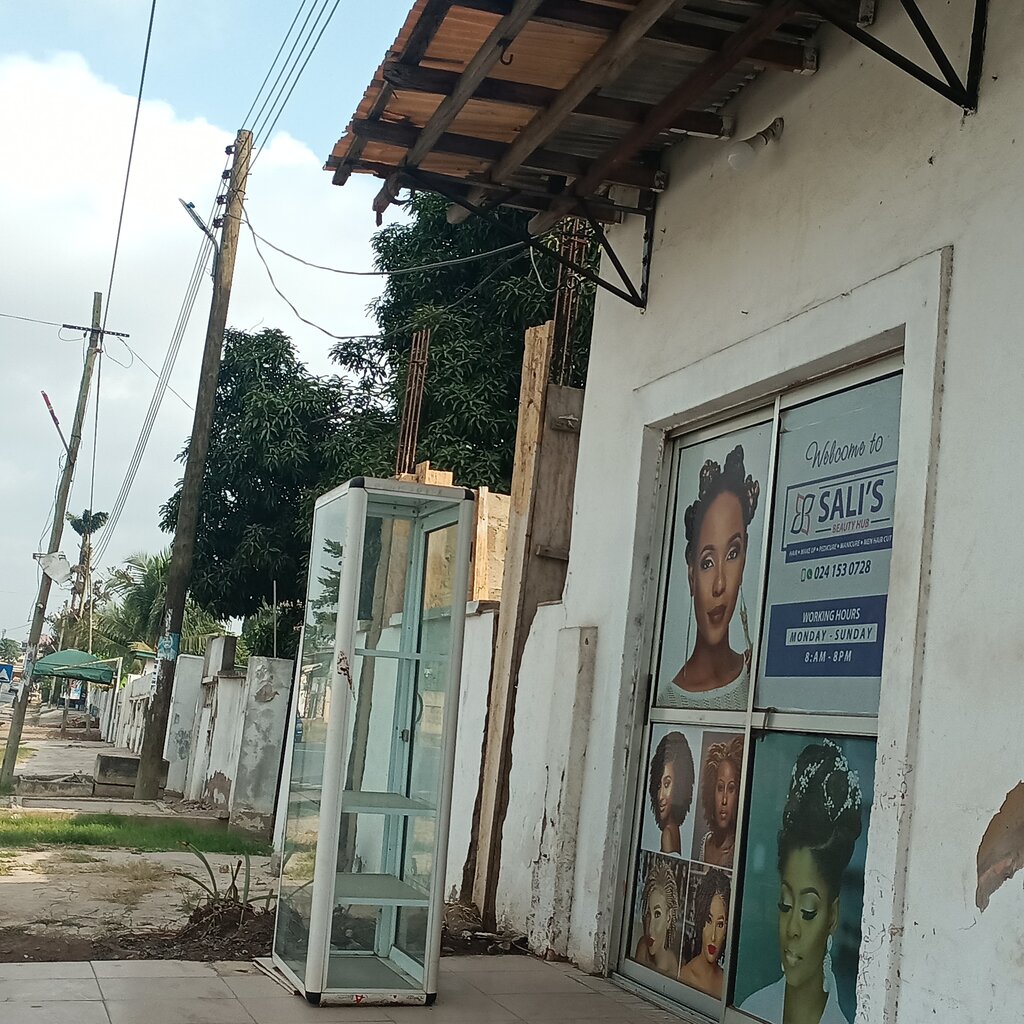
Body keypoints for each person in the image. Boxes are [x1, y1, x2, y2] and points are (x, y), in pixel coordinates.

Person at [739, 739, 863, 1024]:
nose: (792, 929)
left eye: (808, 912)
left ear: (832, 917)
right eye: (785, 906)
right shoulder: (750, 1009)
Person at [670, 445, 760, 710]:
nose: (720, 584)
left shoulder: (755, 677)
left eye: (733, 554)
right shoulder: (666, 704)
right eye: (707, 562)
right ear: (691, 576)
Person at [678, 869, 731, 998]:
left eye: (720, 925)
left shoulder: (727, 981)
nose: (713, 936)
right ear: (700, 921)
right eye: (708, 920)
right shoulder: (685, 976)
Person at [633, 856, 685, 977]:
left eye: (657, 914)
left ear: (669, 917)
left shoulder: (670, 965)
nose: (650, 928)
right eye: (648, 914)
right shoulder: (643, 945)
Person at [698, 736, 744, 867]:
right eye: (720, 788)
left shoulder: (739, 848)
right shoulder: (705, 842)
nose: (724, 800)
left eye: (731, 789)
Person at [648, 731, 695, 854]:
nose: (661, 796)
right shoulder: (674, 830)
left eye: (667, 784)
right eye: (658, 786)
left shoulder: (667, 834)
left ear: (680, 786)